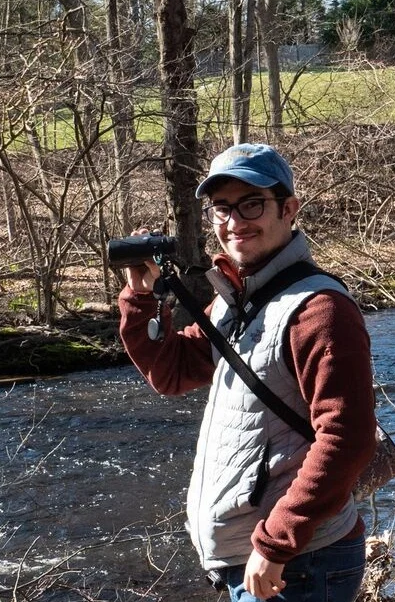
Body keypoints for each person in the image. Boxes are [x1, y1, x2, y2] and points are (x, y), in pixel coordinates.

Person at [118, 143, 376, 602]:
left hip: (300, 563)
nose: (235, 222)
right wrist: (141, 301)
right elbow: (172, 373)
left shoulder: (318, 310)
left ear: (289, 209)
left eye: (252, 204)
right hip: (263, 560)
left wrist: (276, 543)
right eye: (222, 209)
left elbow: (347, 436)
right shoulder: (233, 302)